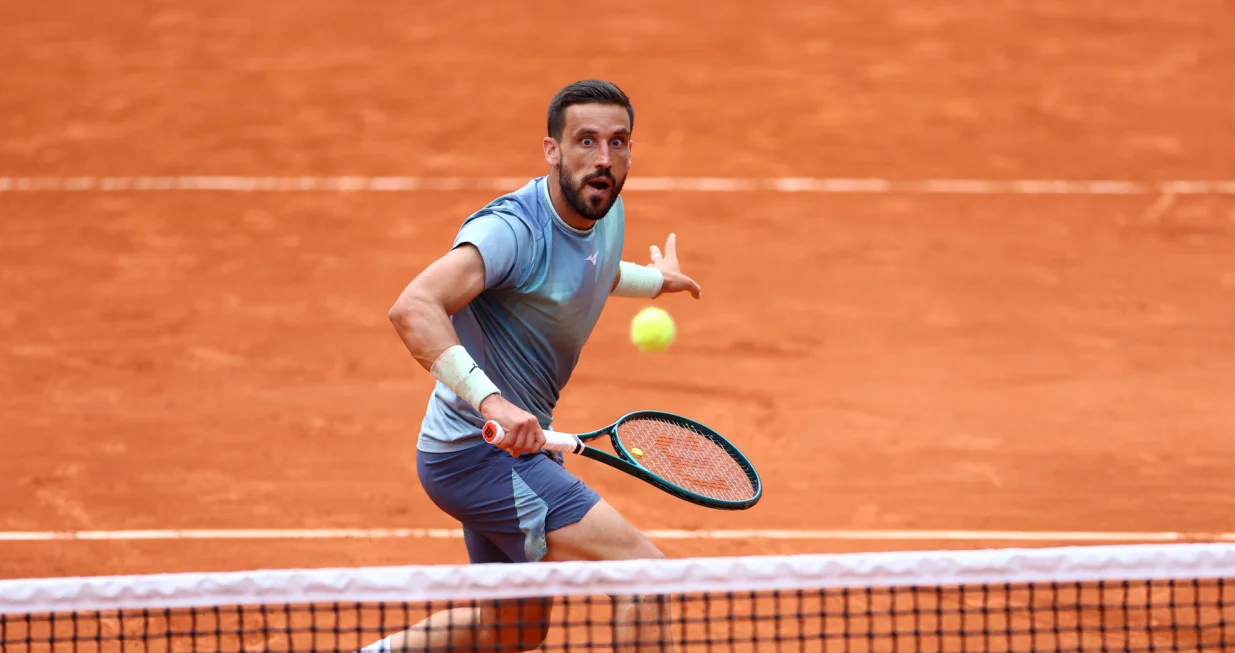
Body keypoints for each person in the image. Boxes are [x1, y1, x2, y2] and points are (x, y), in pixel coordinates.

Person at [362, 80, 702, 652]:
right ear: (552, 151)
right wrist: (492, 402)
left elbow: (588, 272)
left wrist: (654, 283)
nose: (603, 159)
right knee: (644, 576)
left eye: (618, 143)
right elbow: (413, 307)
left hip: (498, 449)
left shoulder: (605, 208)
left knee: (511, 631)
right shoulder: (511, 230)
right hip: (481, 451)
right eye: (586, 141)